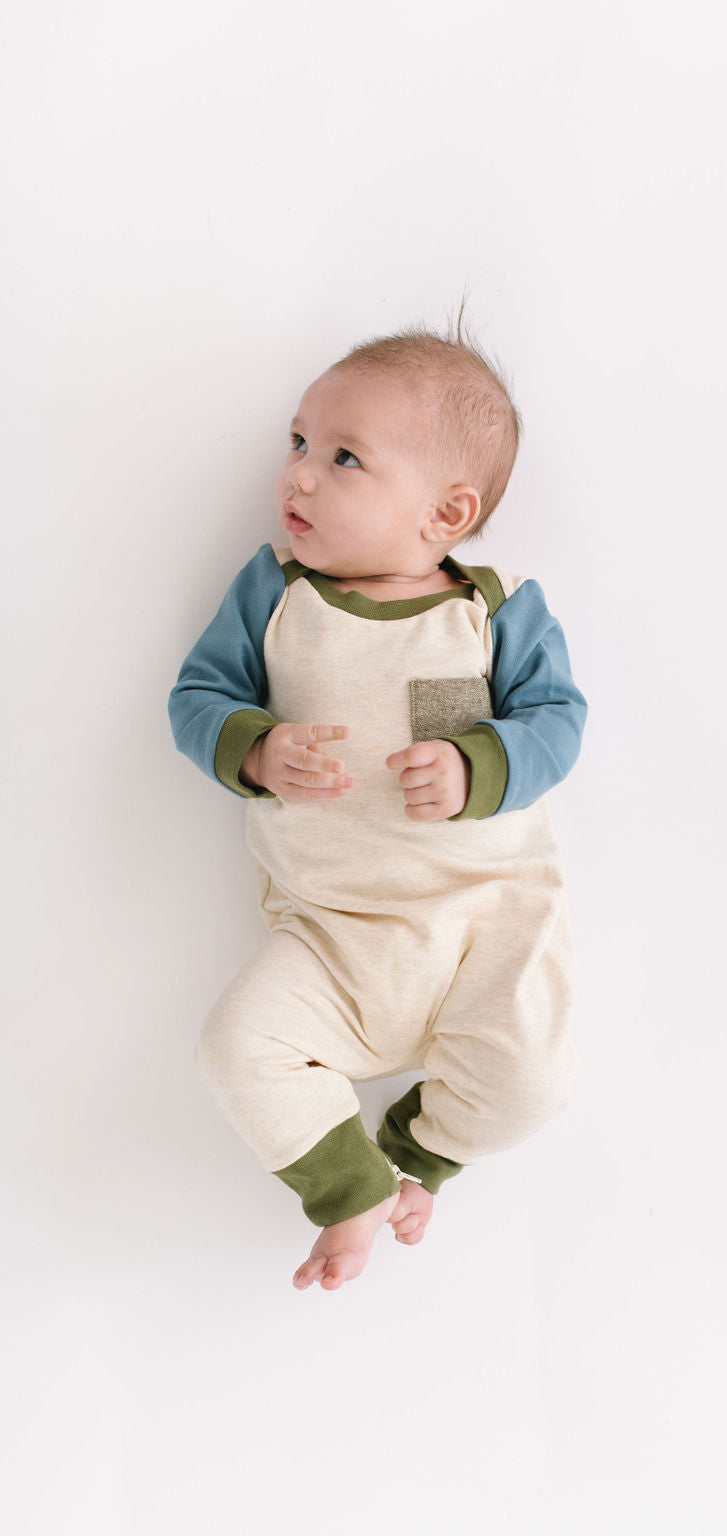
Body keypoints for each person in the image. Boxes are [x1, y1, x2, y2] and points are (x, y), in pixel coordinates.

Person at [168, 322, 586, 1292]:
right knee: (234, 1048)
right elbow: (198, 699)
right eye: (299, 442)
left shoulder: (495, 606)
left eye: (344, 457)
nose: (300, 477)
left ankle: (419, 1154)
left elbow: (558, 723)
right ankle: (350, 1189)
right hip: (332, 933)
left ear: (447, 509)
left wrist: (480, 763)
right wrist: (257, 748)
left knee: (532, 1087)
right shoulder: (274, 593)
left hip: (484, 919)